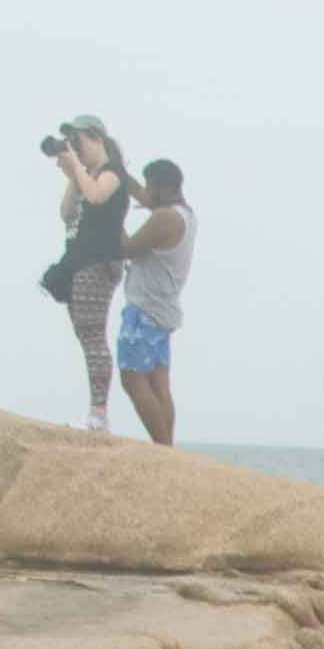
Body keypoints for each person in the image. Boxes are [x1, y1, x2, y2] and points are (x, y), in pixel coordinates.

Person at [43, 120, 137, 435]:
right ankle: (96, 413)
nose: (75, 148)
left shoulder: (112, 172)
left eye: (78, 141)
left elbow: (97, 196)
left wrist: (80, 172)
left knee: (93, 335)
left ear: (97, 138)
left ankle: (99, 414)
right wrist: (73, 174)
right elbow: (66, 212)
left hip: (99, 262)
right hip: (78, 261)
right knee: (86, 335)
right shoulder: (88, 175)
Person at [117, 158, 199, 446]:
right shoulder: (184, 215)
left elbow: (124, 248)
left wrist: (112, 213)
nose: (145, 194)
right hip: (163, 311)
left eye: (150, 186)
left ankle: (163, 448)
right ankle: (167, 446)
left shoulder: (165, 219)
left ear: (162, 188)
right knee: (158, 383)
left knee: (132, 379)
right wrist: (118, 174)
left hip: (144, 310)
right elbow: (144, 195)